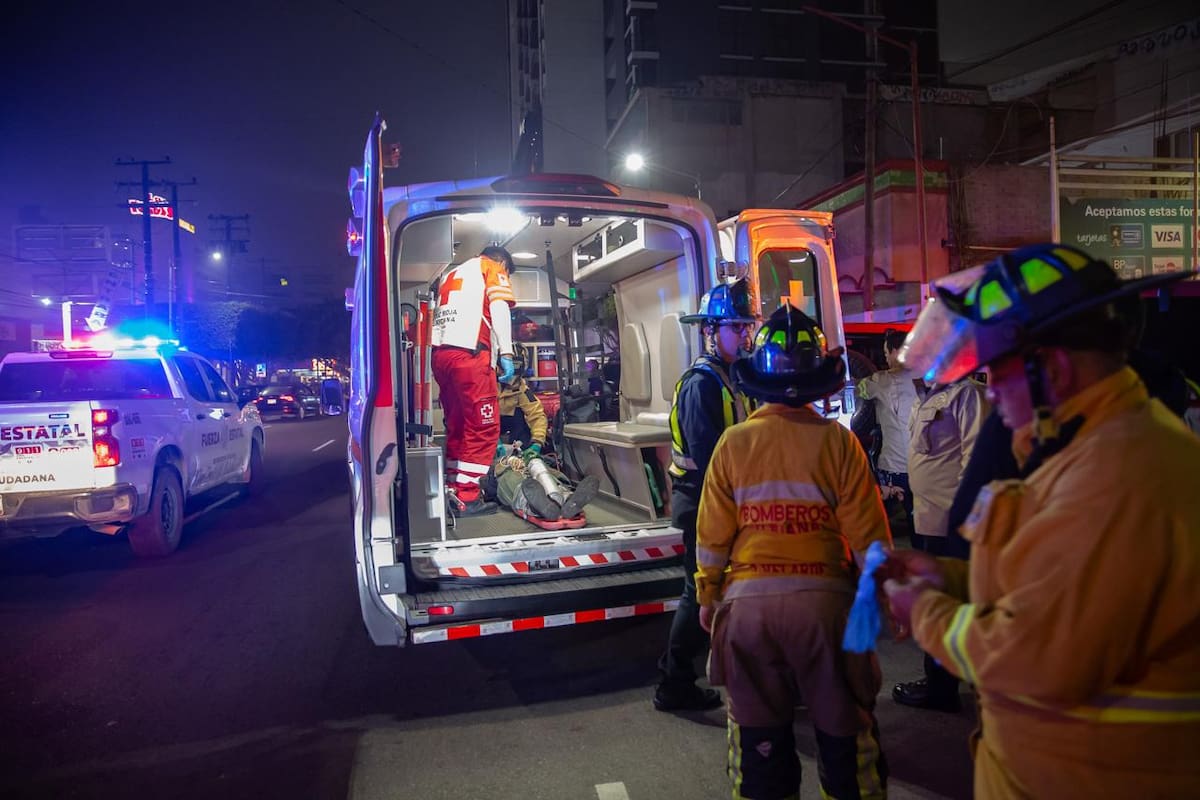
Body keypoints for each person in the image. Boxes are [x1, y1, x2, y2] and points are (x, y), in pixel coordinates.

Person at [883, 243, 1200, 799]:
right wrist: (947, 578)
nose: (992, 389)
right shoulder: (1084, 447)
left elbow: (1030, 656)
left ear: (1052, 367)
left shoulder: (1116, 474)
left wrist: (926, 612)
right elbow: (1046, 588)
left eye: (998, 370)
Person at [697, 303, 892, 800]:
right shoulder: (840, 444)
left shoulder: (733, 444)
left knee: (759, 750)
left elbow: (713, 535)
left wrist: (707, 596)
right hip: (827, 611)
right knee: (848, 744)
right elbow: (870, 537)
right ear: (819, 379)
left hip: (747, 613)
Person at [653, 278, 756, 713]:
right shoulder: (702, 384)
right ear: (710, 331)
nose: (744, 335)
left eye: (746, 326)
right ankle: (674, 683)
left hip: (725, 500)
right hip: (703, 503)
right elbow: (710, 454)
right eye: (735, 327)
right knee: (699, 596)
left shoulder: (734, 377)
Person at [431, 245, 517, 516]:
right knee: (483, 427)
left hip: (442, 357)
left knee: (458, 426)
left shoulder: (451, 274)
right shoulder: (490, 267)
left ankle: (454, 489)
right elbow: (500, 307)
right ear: (502, 263)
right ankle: (468, 496)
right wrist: (507, 352)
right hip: (471, 356)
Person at [856, 329, 920, 535]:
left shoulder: (883, 380)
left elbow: (860, 390)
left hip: (894, 467)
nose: (885, 358)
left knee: (878, 517)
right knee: (919, 519)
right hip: (925, 465)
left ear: (894, 351)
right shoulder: (926, 377)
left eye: (885, 353)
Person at [486, 444, 600, 530]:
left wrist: (533, 452)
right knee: (520, 481)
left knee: (545, 474)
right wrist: (506, 461)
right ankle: (561, 499)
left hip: (530, 468)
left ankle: (563, 500)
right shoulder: (498, 461)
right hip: (510, 470)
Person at [498, 351, 549, 458]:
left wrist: (537, 442)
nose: (511, 380)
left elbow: (537, 416)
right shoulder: (486, 387)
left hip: (515, 440)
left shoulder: (523, 391)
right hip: (488, 437)